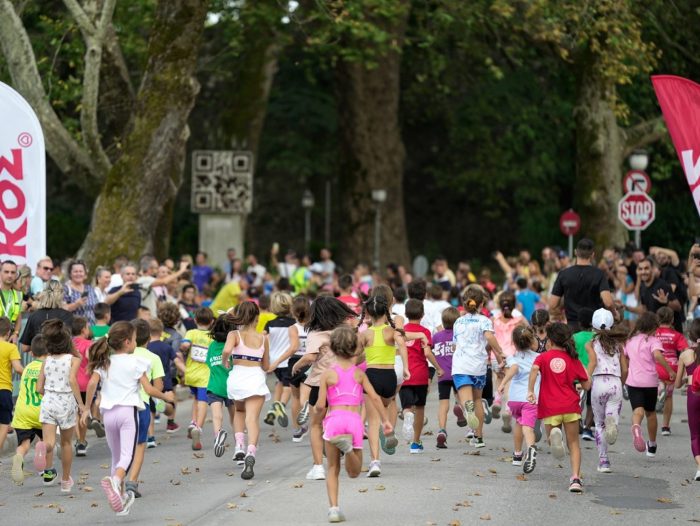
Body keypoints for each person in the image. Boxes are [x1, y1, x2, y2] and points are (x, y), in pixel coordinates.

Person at [82, 321, 173, 515]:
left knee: (116, 457)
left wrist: (85, 409)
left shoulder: (104, 362)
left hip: (108, 415)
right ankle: (115, 481)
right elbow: (148, 390)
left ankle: (120, 500)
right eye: (133, 340)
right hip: (127, 413)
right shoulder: (136, 362)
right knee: (127, 456)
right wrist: (166, 397)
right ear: (127, 342)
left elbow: (91, 384)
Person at [316, 326, 393, 523]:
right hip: (354, 421)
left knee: (333, 467)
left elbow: (319, 406)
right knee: (354, 472)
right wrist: (385, 421)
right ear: (354, 349)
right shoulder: (359, 374)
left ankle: (333, 509)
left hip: (334, 420)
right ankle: (349, 450)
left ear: (332, 348)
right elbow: (375, 398)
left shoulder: (327, 374)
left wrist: (317, 417)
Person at [290, 296, 357, 481]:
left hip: (320, 384)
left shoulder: (316, 334)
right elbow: (358, 354)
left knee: (316, 424)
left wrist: (297, 366)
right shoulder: (346, 332)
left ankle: (318, 467)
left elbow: (311, 357)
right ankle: (341, 443)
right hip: (344, 383)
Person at [527, 322, 591, 493]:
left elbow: (534, 370)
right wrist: (582, 371)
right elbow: (587, 385)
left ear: (550, 340)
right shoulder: (573, 358)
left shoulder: (543, 357)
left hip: (550, 407)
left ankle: (555, 437)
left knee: (551, 437)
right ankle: (575, 478)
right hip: (570, 406)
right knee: (574, 444)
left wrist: (531, 391)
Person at [357, 294, 406, 475]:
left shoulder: (365, 334)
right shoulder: (392, 332)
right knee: (384, 406)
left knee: (373, 421)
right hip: (390, 378)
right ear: (386, 312)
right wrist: (406, 368)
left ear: (368, 313)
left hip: (372, 377)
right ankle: (388, 426)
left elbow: (356, 356)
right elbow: (402, 344)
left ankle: (375, 462)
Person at [221, 302, 271, 479]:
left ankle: (238, 447)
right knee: (252, 418)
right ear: (257, 317)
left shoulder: (234, 334)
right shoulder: (263, 338)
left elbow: (226, 350)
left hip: (237, 378)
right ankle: (251, 452)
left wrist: (225, 361)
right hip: (255, 378)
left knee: (239, 412)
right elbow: (265, 366)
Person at [37, 319, 86, 492]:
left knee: (49, 442)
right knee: (66, 443)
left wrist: (49, 396)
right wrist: (81, 404)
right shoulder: (73, 360)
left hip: (48, 400)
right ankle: (65, 481)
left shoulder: (46, 360)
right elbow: (72, 379)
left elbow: (38, 387)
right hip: (65, 402)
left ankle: (43, 449)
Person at [453, 287, 505, 448]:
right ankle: (479, 437)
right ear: (481, 304)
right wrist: (500, 352)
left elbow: (455, 346)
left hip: (461, 365)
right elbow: (489, 336)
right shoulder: (485, 320)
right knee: (478, 400)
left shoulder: (458, 321)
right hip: (478, 366)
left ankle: (467, 410)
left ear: (465, 304)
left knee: (466, 400)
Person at [624, 311, 676, 457]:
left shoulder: (630, 340)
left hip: (633, 382)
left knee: (638, 411)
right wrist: (669, 370)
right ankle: (652, 445)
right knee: (651, 413)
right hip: (650, 383)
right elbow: (658, 355)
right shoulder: (653, 340)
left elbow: (625, 358)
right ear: (654, 327)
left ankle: (636, 426)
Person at [125, 319, 167, 496]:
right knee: (140, 445)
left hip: (122, 405)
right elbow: (158, 386)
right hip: (142, 405)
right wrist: (162, 396)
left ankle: (117, 477)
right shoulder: (153, 358)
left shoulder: (123, 357)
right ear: (149, 338)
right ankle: (132, 482)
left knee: (124, 446)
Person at [584, 308, 628, 473]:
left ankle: (603, 461)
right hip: (615, 382)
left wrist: (586, 379)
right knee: (611, 417)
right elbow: (625, 369)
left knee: (599, 424)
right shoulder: (618, 345)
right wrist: (621, 384)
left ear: (593, 325)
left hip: (598, 382)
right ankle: (613, 423)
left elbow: (592, 362)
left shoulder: (591, 344)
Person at [400, 299, 442, 453]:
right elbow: (427, 353)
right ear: (423, 314)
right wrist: (438, 368)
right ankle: (416, 443)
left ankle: (407, 415)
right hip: (420, 374)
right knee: (420, 407)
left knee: (406, 406)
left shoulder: (401, 331)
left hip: (404, 374)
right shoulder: (424, 332)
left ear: (405, 314)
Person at [548, 238, 615, 330]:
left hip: (572, 325)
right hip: (594, 325)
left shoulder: (564, 274)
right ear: (592, 254)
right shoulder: (599, 274)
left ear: (575, 252)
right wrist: (615, 314)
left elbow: (552, 304)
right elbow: (608, 302)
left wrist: (561, 314)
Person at [498, 325, 539, 473]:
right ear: (532, 341)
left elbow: (514, 368)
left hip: (514, 399)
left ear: (514, 343)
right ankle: (531, 449)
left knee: (518, 424)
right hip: (530, 399)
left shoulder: (512, 358)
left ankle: (517, 455)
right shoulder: (538, 358)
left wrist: (503, 383)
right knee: (528, 428)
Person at [10, 334, 47, 484]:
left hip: (22, 411)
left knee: (24, 443)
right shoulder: (47, 368)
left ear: (32, 353)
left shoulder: (26, 369)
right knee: (46, 440)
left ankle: (19, 457)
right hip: (41, 410)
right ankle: (46, 471)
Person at [491, 290, 527, 434]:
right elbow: (528, 329)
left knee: (498, 380)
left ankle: (496, 401)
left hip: (496, 355)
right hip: (512, 356)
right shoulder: (518, 321)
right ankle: (507, 410)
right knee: (510, 385)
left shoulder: (494, 319)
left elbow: (489, 337)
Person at [180, 307, 214, 450]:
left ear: (195, 320)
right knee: (203, 402)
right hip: (205, 376)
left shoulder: (191, 332)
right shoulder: (212, 336)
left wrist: (185, 346)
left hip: (191, 373)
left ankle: (193, 422)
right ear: (212, 322)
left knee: (195, 399)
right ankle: (198, 428)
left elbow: (185, 344)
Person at [263, 292, 296, 428]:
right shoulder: (293, 324)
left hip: (274, 360)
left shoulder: (269, 324)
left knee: (280, 382)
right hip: (288, 359)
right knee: (288, 386)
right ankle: (281, 406)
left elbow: (263, 338)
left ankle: (273, 407)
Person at [147, 318, 185, 433]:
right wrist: (187, 372)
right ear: (161, 331)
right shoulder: (166, 347)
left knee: (151, 411)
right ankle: (168, 418)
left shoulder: (146, 348)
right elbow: (177, 361)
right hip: (166, 382)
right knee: (171, 402)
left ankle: (150, 438)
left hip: (150, 383)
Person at [206, 314, 237, 457]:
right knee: (234, 416)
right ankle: (239, 440)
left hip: (214, 385)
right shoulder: (234, 346)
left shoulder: (212, 346)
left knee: (216, 415)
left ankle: (218, 436)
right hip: (231, 385)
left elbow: (208, 363)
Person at [655, 306, 688, 435]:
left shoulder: (654, 333)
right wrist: (684, 370)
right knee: (669, 397)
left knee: (656, 383)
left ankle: (659, 389)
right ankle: (665, 427)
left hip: (657, 366)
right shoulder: (677, 335)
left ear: (657, 319)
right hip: (672, 369)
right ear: (673, 320)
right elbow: (686, 351)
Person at [674, 319, 700, 481]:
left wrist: (686, 379)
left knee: (695, 434)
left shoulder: (685, 355)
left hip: (694, 394)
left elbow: (677, 384)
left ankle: (699, 467)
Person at [20, 280, 74, 353]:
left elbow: (24, 347)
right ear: (61, 295)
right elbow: (70, 344)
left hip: (40, 360)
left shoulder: (34, 316)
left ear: (44, 294)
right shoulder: (67, 316)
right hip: (61, 360)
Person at [625, 257, 682, 323]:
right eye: (640, 269)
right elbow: (644, 309)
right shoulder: (642, 286)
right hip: (654, 328)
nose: (643, 272)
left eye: (646, 268)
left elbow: (678, 307)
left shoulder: (662, 285)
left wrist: (667, 302)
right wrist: (625, 308)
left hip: (670, 330)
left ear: (652, 269)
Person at [433, 307, 460, 448]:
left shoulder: (437, 337)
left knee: (443, 404)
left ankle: (442, 430)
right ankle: (459, 408)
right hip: (457, 373)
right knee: (460, 397)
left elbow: (431, 351)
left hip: (442, 374)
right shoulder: (459, 336)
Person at [0, 316, 23, 452]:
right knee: (4, 425)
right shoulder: (10, 348)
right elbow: (18, 368)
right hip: (4, 390)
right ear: (8, 332)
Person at [573, 308, 595, 440]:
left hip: (576, 376)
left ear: (579, 323)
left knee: (577, 401)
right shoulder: (595, 338)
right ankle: (587, 428)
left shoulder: (574, 337)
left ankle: (577, 423)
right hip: (593, 375)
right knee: (591, 403)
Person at [71, 316, 92, 457]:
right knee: (83, 411)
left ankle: (78, 440)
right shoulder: (89, 344)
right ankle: (82, 441)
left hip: (71, 382)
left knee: (74, 414)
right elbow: (91, 359)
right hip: (85, 383)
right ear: (84, 329)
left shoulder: (68, 344)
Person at [63, 260, 99, 325]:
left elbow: (96, 307)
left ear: (85, 274)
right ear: (70, 274)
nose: (78, 274)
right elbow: (62, 309)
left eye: (81, 271)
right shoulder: (65, 289)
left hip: (91, 329)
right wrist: (76, 304)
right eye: (75, 271)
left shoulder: (90, 289)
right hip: (74, 330)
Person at [0, 260, 23, 342]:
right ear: (0, 273)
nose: (10, 275)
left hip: (9, 339)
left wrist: (15, 334)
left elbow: (19, 318)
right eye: (6, 272)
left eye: (13, 272)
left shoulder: (19, 295)